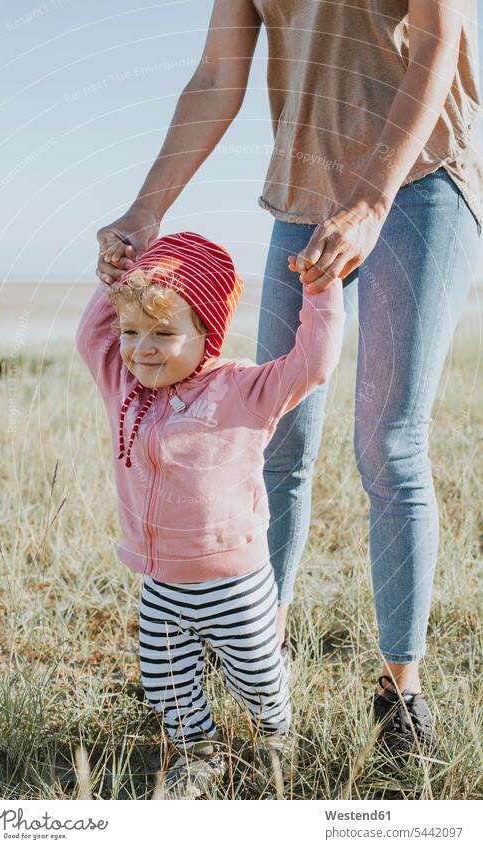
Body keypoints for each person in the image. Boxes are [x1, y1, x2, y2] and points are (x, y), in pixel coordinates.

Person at [94, 1, 482, 758]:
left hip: (422, 175)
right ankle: (255, 657)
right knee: (271, 439)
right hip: (304, 189)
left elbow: (440, 39)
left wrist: (370, 201)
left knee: (388, 440)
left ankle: (398, 692)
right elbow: (215, 75)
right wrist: (147, 208)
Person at [76, 230, 345, 797]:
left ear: (208, 334)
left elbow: (312, 365)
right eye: (131, 331)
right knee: (165, 679)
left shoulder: (244, 389)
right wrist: (117, 279)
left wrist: (321, 291)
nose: (141, 348)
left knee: (259, 677)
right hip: (162, 583)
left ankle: (276, 735)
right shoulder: (125, 387)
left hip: (236, 584)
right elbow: (90, 336)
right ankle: (198, 752)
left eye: (164, 333)